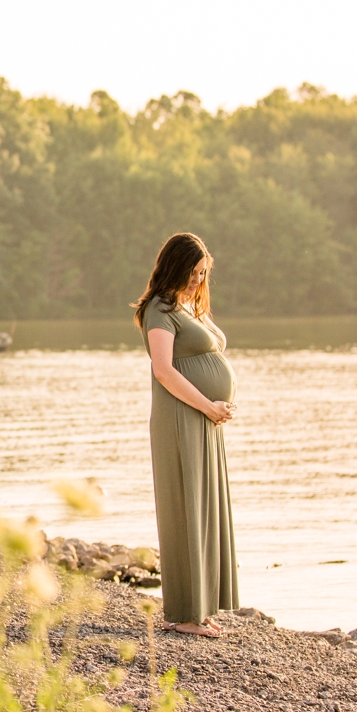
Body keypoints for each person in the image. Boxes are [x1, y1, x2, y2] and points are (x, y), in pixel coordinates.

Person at [132, 232, 239, 638]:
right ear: (175, 266)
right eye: (193, 272)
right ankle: (183, 615)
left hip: (203, 419)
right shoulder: (159, 310)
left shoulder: (187, 305)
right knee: (186, 508)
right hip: (181, 416)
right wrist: (209, 405)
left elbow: (207, 355)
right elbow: (164, 370)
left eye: (203, 273)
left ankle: (200, 607)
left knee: (205, 508)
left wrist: (217, 405)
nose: (198, 280)